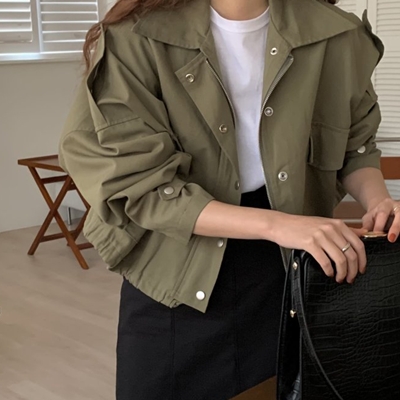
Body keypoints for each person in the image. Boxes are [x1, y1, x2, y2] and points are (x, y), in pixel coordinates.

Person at [58, 0, 400, 398]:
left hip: (289, 271)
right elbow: (138, 182)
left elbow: (355, 146)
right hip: (175, 264)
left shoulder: (336, 32)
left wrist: (379, 202)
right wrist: (280, 225)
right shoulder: (136, 37)